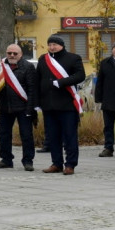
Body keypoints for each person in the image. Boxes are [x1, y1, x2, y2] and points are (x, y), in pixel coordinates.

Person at [36, 35, 85, 175]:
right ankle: (56, 163)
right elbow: (37, 79)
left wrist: (62, 82)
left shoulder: (73, 58)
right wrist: (38, 101)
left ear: (62, 45)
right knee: (53, 136)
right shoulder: (43, 59)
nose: (52, 47)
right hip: (49, 104)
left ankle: (70, 164)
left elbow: (80, 75)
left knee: (69, 136)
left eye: (55, 44)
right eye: (50, 44)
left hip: (67, 105)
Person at [0, 43, 37, 171]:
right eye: (9, 53)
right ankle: (6, 159)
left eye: (15, 53)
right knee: (4, 134)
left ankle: (28, 161)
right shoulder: (0, 66)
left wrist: (30, 109)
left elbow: (32, 89)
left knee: (26, 135)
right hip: (6, 107)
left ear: (21, 54)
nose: (12, 55)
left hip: (23, 107)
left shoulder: (28, 67)